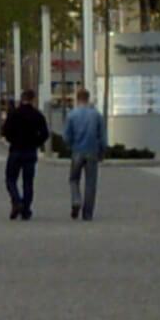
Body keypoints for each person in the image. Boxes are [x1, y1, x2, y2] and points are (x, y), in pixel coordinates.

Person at [2, 89, 49, 221]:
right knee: (28, 182)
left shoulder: (13, 114)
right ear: (33, 99)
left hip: (16, 150)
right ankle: (26, 209)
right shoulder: (37, 115)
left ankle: (16, 200)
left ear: (21, 98)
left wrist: (13, 140)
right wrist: (36, 142)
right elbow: (45, 134)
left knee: (10, 179)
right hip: (30, 151)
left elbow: (5, 131)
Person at [64, 87, 107, 221]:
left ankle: (76, 199)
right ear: (88, 98)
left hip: (77, 150)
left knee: (73, 179)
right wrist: (102, 151)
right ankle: (87, 213)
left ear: (77, 98)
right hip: (92, 151)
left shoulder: (72, 115)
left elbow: (66, 136)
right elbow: (102, 136)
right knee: (90, 183)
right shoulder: (96, 115)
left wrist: (70, 146)